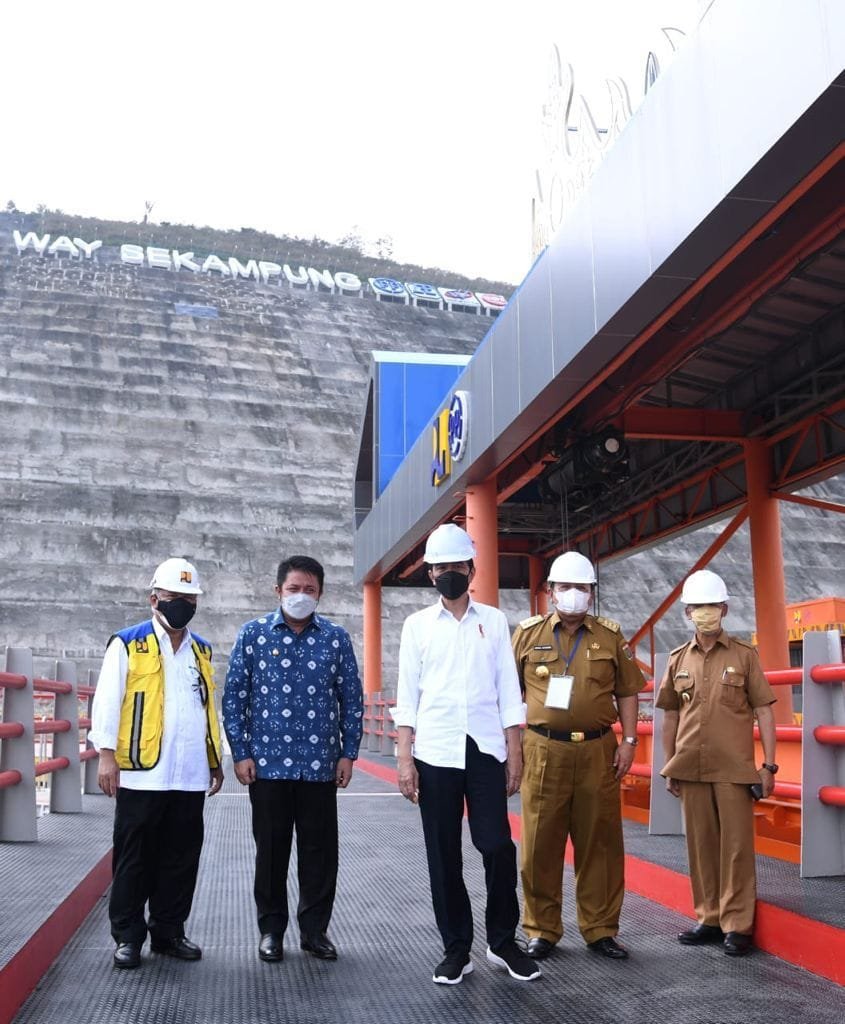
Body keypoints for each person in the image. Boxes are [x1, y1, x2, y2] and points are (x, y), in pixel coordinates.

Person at [394, 523, 540, 986]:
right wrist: (404, 758)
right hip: (435, 751)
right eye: (440, 568)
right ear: (430, 573)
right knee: (443, 853)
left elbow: (507, 689)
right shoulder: (416, 626)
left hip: (484, 750)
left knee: (496, 844)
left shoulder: (493, 621)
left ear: (472, 569)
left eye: (457, 566)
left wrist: (514, 751)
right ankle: (456, 948)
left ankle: (502, 942)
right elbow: (407, 693)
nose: (448, 574)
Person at [222, 555, 363, 964]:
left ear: (320, 594)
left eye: (310, 590)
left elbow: (350, 699)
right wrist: (241, 753)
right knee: (271, 852)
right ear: (278, 591)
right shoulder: (253, 636)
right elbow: (235, 698)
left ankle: (315, 931)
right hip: (267, 766)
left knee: (320, 852)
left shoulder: (336, 639)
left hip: (319, 766)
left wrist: (348, 753)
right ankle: (271, 930)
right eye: (294, 589)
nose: (301, 596)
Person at [89, 557, 224, 969]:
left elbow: (207, 710)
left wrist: (215, 761)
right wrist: (107, 757)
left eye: (189, 598)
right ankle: (128, 936)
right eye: (173, 597)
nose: (182, 604)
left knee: (181, 857)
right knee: (135, 857)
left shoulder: (201, 649)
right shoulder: (129, 643)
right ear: (154, 599)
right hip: (141, 772)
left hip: (188, 774)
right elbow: (108, 701)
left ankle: (168, 931)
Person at [511, 550, 645, 962]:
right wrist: (511, 747)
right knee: (539, 843)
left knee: (600, 843)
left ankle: (601, 929)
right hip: (542, 748)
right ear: (550, 592)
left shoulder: (610, 636)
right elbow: (504, 692)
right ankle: (541, 929)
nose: (573, 594)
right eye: (565, 587)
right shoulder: (527, 634)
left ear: (592, 593)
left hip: (597, 749)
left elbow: (627, 691)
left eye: (582, 588)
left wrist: (629, 742)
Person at [656, 569, 777, 956]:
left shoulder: (744, 656)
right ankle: (708, 917)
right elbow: (670, 715)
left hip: (735, 769)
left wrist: (769, 766)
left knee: (737, 849)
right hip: (690, 766)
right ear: (687, 613)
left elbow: (764, 711)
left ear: (723, 609)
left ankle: (737, 925)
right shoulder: (678, 660)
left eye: (711, 606)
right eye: (697, 608)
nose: (705, 613)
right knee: (701, 845)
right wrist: (669, 763)